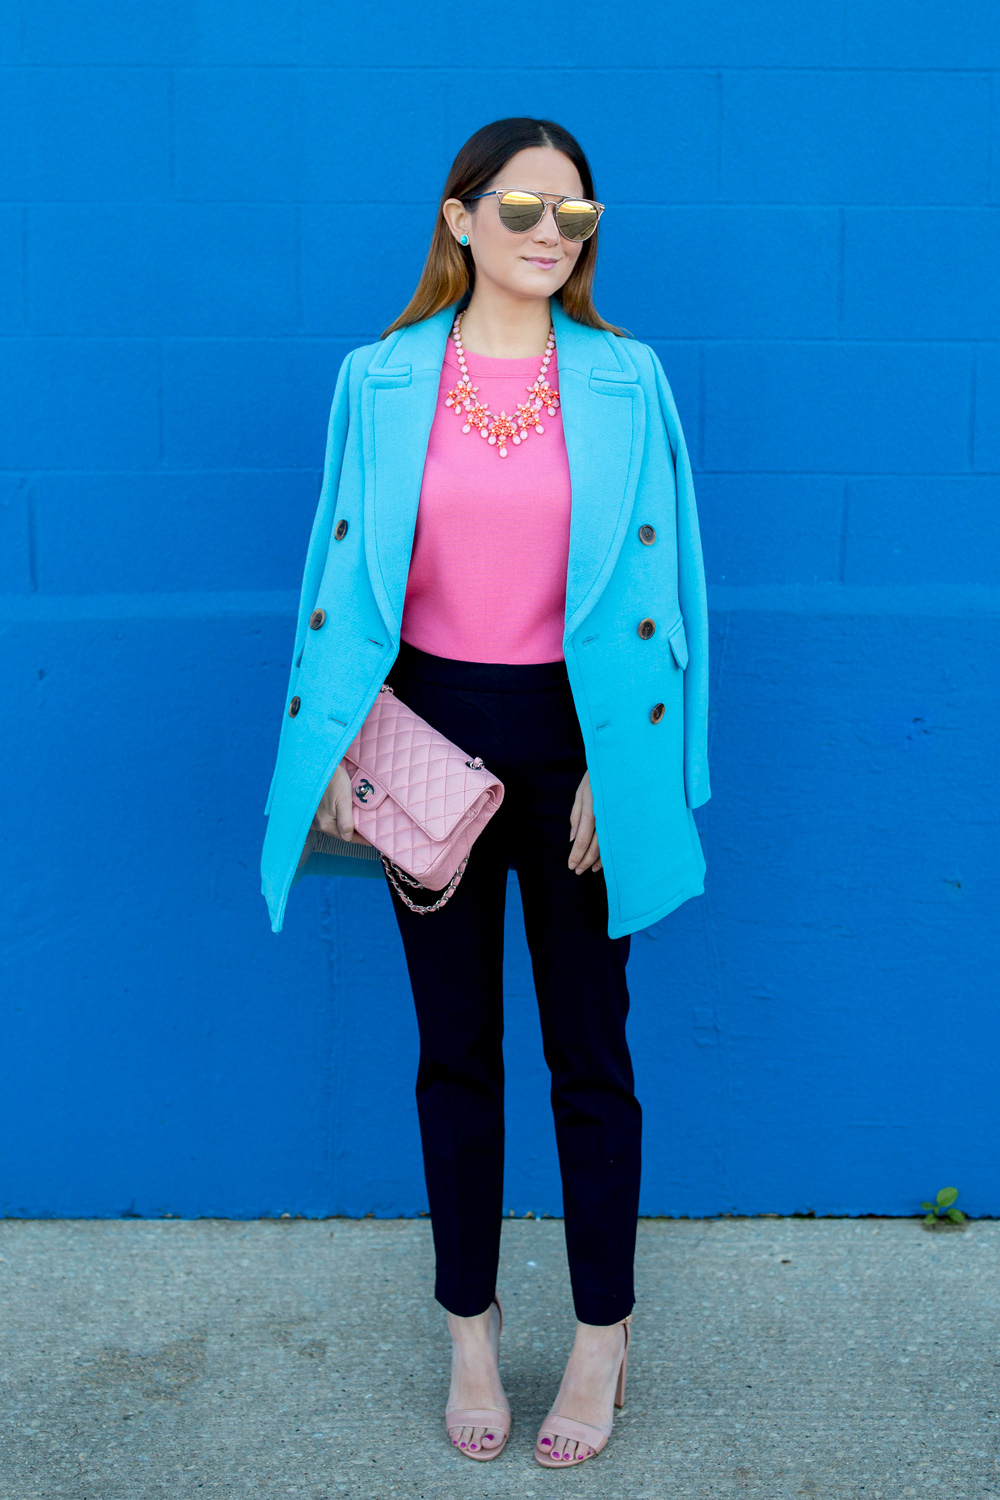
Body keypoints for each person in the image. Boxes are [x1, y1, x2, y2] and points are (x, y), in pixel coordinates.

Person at [260, 116, 711, 1466]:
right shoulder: (380, 377)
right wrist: (339, 746)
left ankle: (599, 1338)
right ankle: (470, 1328)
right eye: (518, 205)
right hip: (430, 743)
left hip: (582, 749)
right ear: (458, 220)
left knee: (592, 1053)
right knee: (454, 1050)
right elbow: (336, 584)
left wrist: (632, 774)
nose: (544, 231)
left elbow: (673, 591)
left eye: (571, 213)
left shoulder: (631, 379)